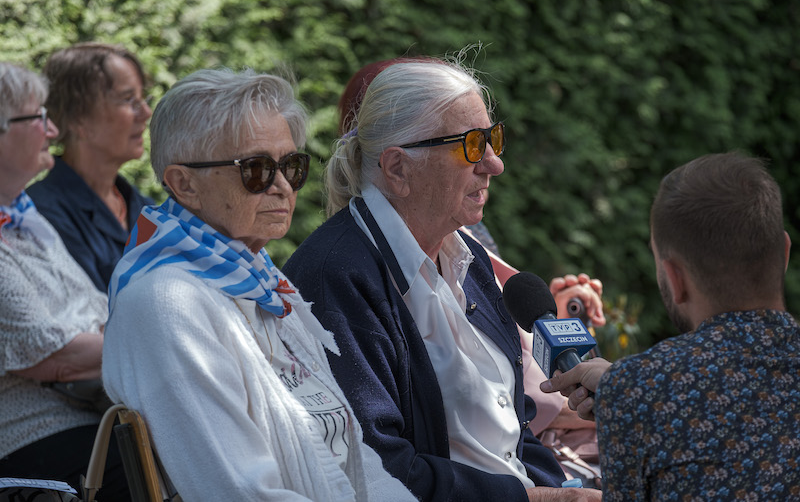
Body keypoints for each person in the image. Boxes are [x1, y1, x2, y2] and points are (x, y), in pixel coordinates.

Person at [284, 58, 601, 501]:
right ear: (398, 169)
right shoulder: (334, 280)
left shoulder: (466, 255)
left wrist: (561, 490)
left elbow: (515, 427)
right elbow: (375, 470)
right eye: (471, 145)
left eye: (493, 139)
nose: (494, 164)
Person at [101, 68, 418, 502]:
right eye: (256, 169)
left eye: (291, 166)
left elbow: (357, 459)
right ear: (183, 184)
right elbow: (240, 491)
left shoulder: (258, 278)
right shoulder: (166, 303)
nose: (283, 186)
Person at [541, 152, 800, 499]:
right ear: (784, 254)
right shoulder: (633, 388)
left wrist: (626, 390)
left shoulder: (636, 390)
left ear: (675, 279)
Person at [0, 62, 129, 500]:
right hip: (29, 437)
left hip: (92, 417)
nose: (52, 130)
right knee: (176, 462)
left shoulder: (23, 218)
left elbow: (93, 307)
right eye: (39, 117)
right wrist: (159, 342)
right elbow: (56, 355)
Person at [26, 42, 154, 291]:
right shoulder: (43, 215)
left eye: (143, 98)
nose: (146, 112)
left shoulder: (145, 209)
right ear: (78, 118)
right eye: (128, 99)